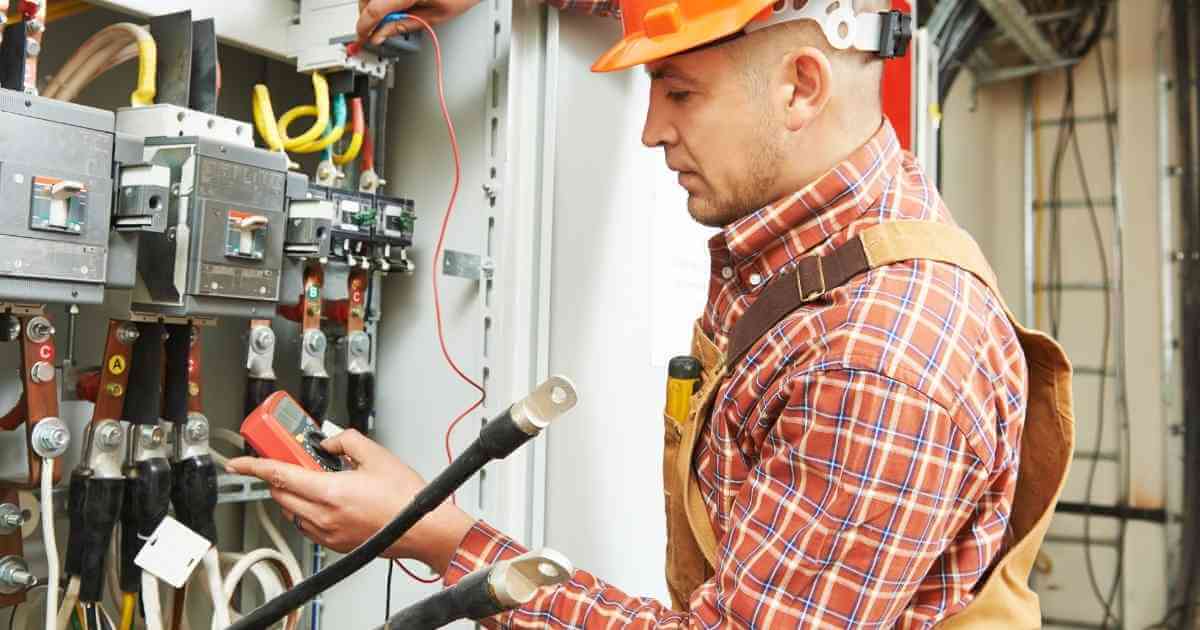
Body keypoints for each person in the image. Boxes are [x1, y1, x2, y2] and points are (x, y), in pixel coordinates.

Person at [230, 0, 1076, 627]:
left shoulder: (877, 357)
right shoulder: (832, 222)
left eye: (676, 92)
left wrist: (440, 536)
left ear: (800, 85)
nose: (651, 131)